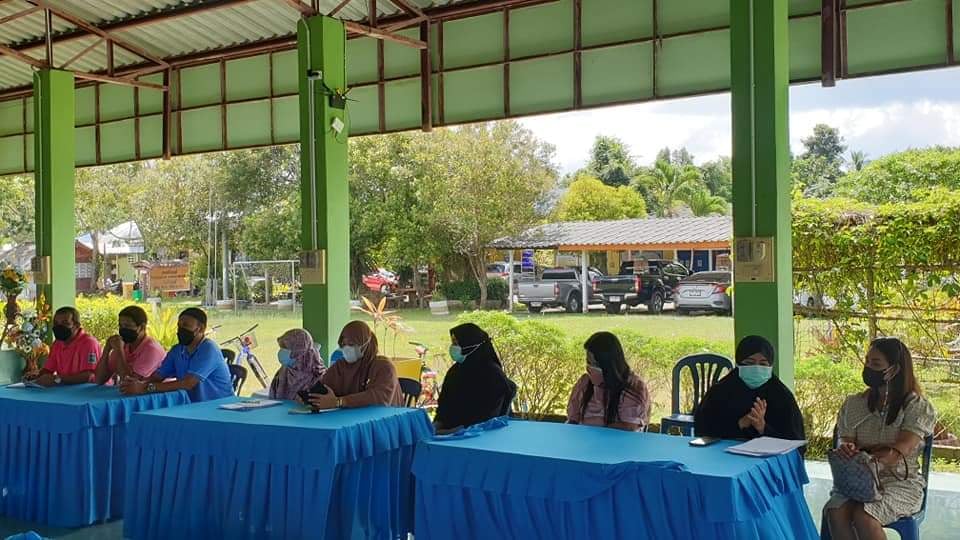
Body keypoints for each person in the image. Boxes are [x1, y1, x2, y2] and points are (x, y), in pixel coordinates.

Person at [823, 337, 936, 540]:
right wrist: (847, 450)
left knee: (864, 516)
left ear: (894, 370)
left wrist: (876, 463)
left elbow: (903, 448)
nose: (868, 367)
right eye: (867, 361)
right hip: (859, 481)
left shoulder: (916, 406)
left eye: (875, 364)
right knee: (835, 511)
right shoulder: (854, 404)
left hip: (900, 483)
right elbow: (846, 441)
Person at [694, 335, 805, 441]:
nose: (756, 368)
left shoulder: (782, 396)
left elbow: (795, 441)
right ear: (738, 364)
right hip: (724, 452)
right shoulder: (721, 392)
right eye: (749, 363)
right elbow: (703, 429)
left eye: (763, 364)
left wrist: (763, 427)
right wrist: (740, 424)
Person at [120, 308, 233, 402]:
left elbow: (188, 383)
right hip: (190, 405)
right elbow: (158, 376)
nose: (180, 330)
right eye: (179, 326)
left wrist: (146, 387)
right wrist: (139, 384)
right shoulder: (177, 350)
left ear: (201, 329)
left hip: (219, 406)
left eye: (186, 325)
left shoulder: (208, 349)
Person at [433, 323, 517, 434]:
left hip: (481, 434)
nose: (453, 347)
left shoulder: (493, 374)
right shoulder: (455, 371)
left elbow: (487, 418)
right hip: (449, 431)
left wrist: (453, 432)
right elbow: (444, 407)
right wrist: (436, 425)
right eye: (452, 343)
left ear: (470, 344)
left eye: (456, 343)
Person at [566, 331, 651, 432]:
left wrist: (595, 432)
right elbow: (573, 419)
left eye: (594, 364)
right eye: (588, 362)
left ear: (609, 366)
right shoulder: (584, 383)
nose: (589, 368)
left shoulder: (634, 388)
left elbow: (629, 427)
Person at [307, 321, 402, 409]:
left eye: (351, 344)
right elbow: (325, 385)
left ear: (365, 345)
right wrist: (310, 396)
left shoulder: (384, 367)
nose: (347, 348)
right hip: (348, 417)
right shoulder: (341, 366)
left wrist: (339, 402)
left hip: (384, 418)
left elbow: (378, 398)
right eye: (344, 344)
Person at [29, 306, 102, 386]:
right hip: (67, 389)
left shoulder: (89, 343)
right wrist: (36, 377)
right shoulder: (57, 343)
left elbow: (88, 376)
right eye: (56, 324)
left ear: (77, 325)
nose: (59, 327)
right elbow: (48, 370)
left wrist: (57, 379)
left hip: (91, 390)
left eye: (65, 323)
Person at [94, 305, 166, 385]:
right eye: (121, 326)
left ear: (142, 327)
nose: (123, 330)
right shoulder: (125, 345)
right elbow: (99, 379)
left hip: (158, 392)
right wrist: (106, 350)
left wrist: (119, 351)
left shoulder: (151, 350)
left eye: (128, 326)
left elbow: (130, 382)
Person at [269, 328, 325, 401]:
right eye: (281, 348)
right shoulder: (284, 372)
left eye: (285, 348)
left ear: (299, 352)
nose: (281, 351)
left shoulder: (317, 376)